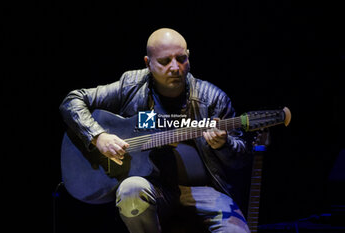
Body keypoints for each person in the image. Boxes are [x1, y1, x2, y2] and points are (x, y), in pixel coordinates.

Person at [60, 28, 251, 233]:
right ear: (147, 63)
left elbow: (240, 159)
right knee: (130, 190)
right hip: (154, 187)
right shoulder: (131, 85)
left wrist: (224, 144)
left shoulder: (212, 98)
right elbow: (72, 101)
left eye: (181, 58)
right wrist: (98, 136)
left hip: (204, 191)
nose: (175, 67)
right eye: (165, 61)